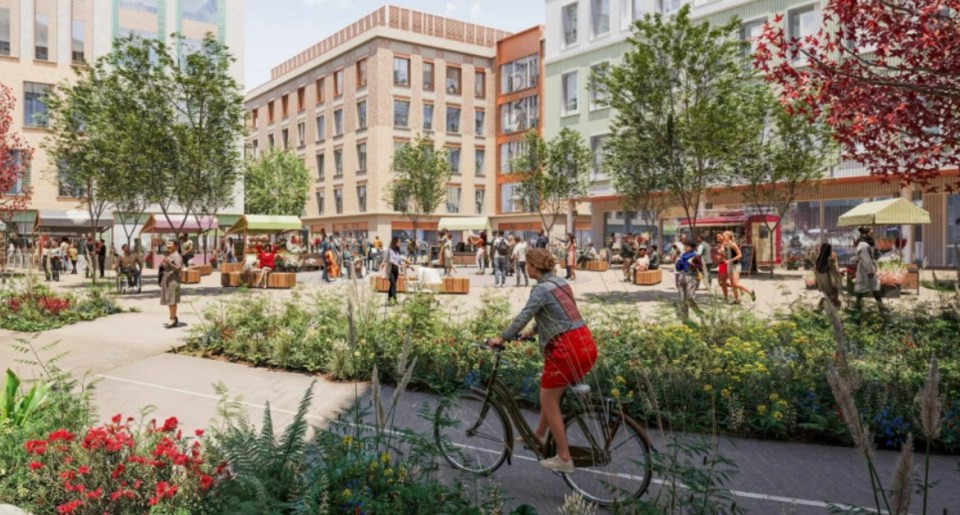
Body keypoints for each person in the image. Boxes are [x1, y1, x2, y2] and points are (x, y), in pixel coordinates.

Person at [487, 248, 598, 473]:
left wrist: (503, 338)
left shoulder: (540, 290)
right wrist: (533, 332)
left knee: (548, 399)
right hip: (585, 345)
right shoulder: (560, 283)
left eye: (527, 264)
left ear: (533, 267)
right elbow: (559, 315)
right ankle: (537, 435)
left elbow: (523, 315)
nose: (525, 268)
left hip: (566, 350)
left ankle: (564, 458)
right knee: (551, 393)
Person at [723, 231, 756, 305]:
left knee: (735, 283)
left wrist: (730, 260)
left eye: (724, 236)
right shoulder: (725, 245)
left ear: (729, 236)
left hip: (735, 266)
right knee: (732, 284)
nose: (723, 237)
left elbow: (740, 255)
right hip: (729, 266)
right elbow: (727, 255)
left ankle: (750, 292)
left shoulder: (733, 244)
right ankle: (737, 300)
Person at [854, 227, 883, 310]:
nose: (872, 235)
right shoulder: (863, 245)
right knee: (866, 287)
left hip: (868, 267)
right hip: (866, 269)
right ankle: (858, 308)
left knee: (873, 287)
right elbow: (866, 258)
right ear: (865, 234)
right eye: (871, 233)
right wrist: (870, 270)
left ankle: (880, 306)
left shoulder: (867, 244)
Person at [675, 240, 704, 318]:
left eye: (686, 246)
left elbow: (701, 268)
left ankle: (699, 313)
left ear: (691, 247)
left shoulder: (696, 255)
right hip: (682, 277)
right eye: (685, 246)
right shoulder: (682, 255)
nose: (685, 247)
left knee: (689, 298)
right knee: (682, 299)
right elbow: (678, 268)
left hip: (692, 277)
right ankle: (685, 318)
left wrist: (693, 264)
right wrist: (679, 262)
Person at [160, 240, 183, 328]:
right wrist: (164, 263)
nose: (168, 245)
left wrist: (168, 262)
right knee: (170, 300)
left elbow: (178, 268)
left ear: (175, 246)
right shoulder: (169, 255)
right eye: (167, 244)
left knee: (172, 300)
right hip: (167, 279)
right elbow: (165, 266)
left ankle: (172, 318)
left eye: (170, 244)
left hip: (174, 280)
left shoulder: (177, 256)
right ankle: (174, 318)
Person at [815, 243, 842, 309]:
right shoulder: (829, 260)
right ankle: (827, 304)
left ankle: (825, 304)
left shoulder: (818, 259)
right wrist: (839, 278)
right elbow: (834, 272)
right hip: (828, 281)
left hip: (821, 281)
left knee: (828, 294)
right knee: (834, 292)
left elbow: (816, 271)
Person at [387, 237, 403, 304]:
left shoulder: (398, 250)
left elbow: (400, 261)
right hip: (390, 269)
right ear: (395, 242)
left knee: (392, 284)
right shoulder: (390, 250)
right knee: (393, 284)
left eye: (400, 242)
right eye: (398, 242)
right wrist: (399, 265)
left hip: (396, 270)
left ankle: (389, 298)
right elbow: (391, 260)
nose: (400, 243)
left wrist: (406, 265)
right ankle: (395, 299)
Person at [715, 233, 730, 301]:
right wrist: (718, 257)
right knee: (720, 282)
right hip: (721, 264)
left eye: (719, 236)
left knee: (722, 282)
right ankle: (736, 287)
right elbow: (720, 254)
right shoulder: (720, 245)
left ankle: (726, 297)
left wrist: (722, 254)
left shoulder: (726, 244)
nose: (718, 237)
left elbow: (729, 255)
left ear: (723, 236)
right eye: (717, 236)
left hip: (725, 264)